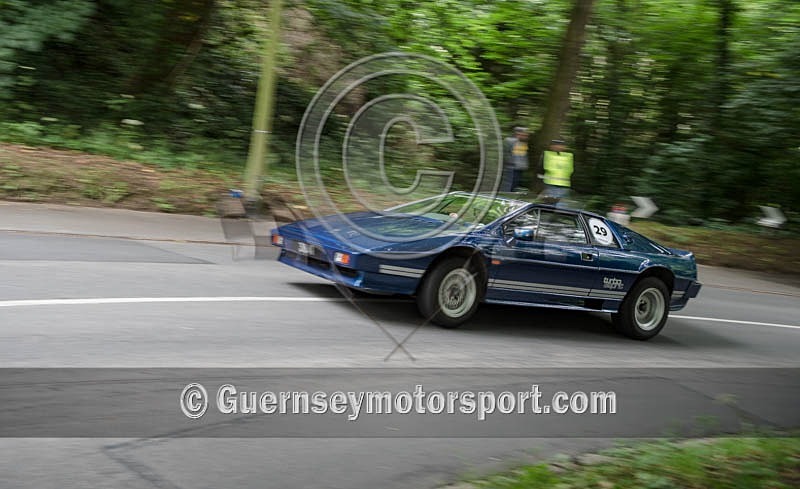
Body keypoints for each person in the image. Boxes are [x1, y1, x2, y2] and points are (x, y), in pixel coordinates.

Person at [502, 127, 529, 191]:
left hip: (520, 168)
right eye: (524, 134)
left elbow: (524, 155)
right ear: (518, 134)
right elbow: (505, 153)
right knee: (509, 185)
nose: (526, 136)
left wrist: (525, 164)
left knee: (515, 185)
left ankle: (510, 197)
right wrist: (510, 163)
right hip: (511, 168)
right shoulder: (509, 140)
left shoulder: (523, 143)